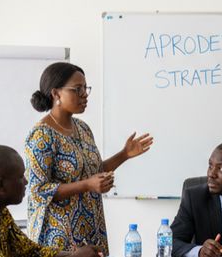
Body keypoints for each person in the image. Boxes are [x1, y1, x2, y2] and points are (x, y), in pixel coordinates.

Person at [25, 62, 153, 253]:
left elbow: (93, 172)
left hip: (91, 229)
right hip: (60, 239)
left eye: (86, 88)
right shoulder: (41, 135)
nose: (84, 94)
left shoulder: (83, 128)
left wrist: (124, 154)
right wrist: (87, 185)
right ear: (56, 94)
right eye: (77, 89)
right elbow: (38, 190)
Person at [0, 144, 103, 257]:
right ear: (1, 186)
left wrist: (73, 255)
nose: (26, 182)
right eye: (20, 177)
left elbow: (29, 251)